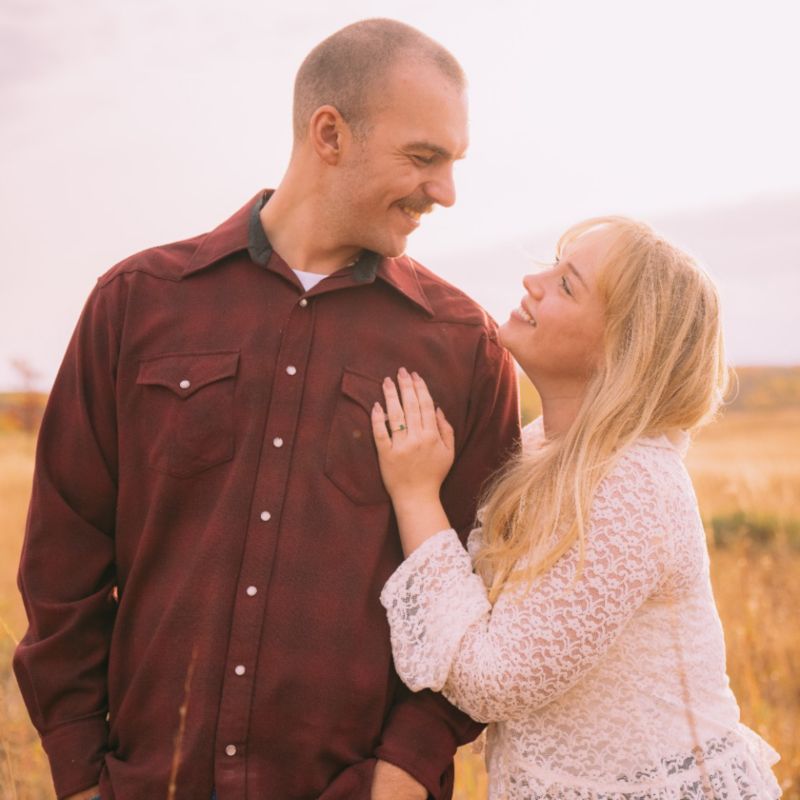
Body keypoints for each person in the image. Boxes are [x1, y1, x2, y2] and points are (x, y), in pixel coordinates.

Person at [13, 19, 520, 800]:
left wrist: (402, 771)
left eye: (453, 162)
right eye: (424, 158)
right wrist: (81, 776)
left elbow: (488, 585)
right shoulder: (137, 303)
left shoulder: (463, 346)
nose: (446, 191)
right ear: (330, 134)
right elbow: (64, 562)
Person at [371, 217, 782, 799]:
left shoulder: (632, 485)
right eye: (552, 267)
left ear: (624, 349)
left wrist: (416, 496)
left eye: (566, 285)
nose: (533, 282)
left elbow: (493, 681)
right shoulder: (544, 448)